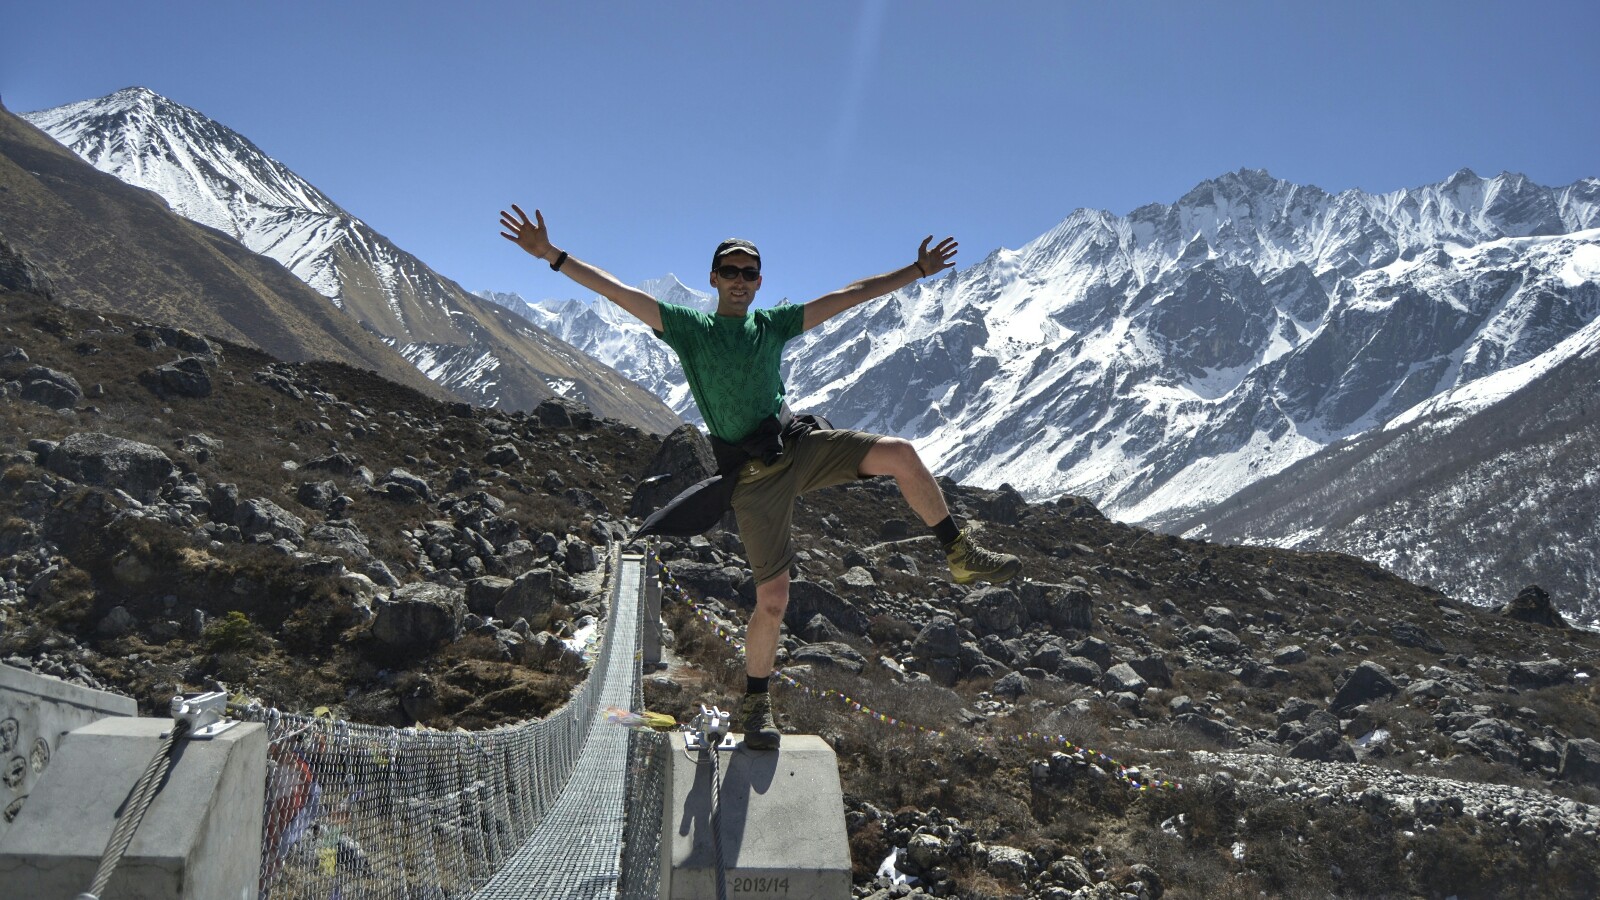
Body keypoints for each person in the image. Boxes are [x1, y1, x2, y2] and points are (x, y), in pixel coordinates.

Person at [499, 205, 1021, 749]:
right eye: (731, 271)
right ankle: (755, 702)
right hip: (750, 478)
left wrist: (913, 272)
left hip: (796, 446)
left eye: (750, 273)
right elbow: (617, 291)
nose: (741, 281)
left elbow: (849, 295)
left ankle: (959, 552)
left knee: (900, 453)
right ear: (714, 278)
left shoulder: (772, 325)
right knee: (773, 598)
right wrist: (552, 257)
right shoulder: (690, 330)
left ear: (759, 281)